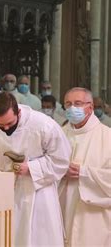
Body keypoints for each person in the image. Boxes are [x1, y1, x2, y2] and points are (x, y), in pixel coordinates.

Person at [0, 92, 70, 246]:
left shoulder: (44, 125)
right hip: (7, 190)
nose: (5, 128)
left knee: (40, 238)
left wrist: (31, 168)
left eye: (10, 123)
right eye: (1, 125)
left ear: (18, 112)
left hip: (39, 191)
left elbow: (61, 159)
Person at [59, 88, 111, 246]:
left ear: (91, 107)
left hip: (93, 215)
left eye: (78, 103)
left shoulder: (107, 137)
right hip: (62, 207)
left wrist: (85, 173)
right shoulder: (58, 134)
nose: (72, 108)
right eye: (68, 104)